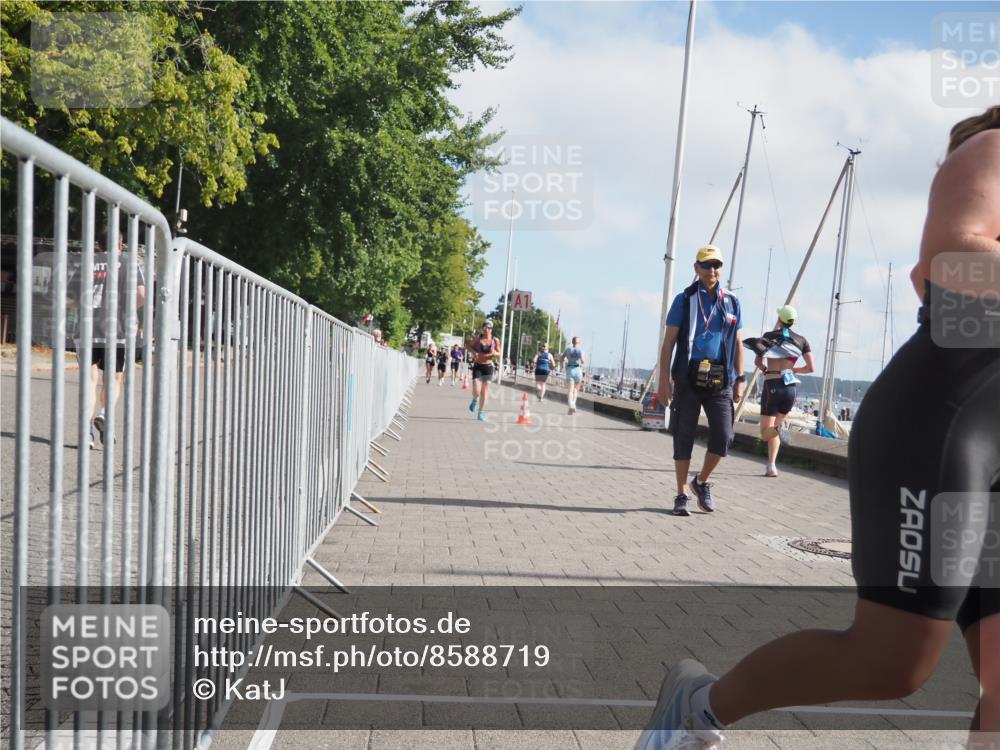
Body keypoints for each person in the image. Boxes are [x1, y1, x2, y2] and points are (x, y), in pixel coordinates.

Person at [636, 107, 1000, 750]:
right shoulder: (994, 148)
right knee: (893, 662)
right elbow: (947, 256)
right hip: (939, 427)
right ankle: (698, 705)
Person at [656, 244, 745, 517]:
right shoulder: (685, 299)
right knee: (684, 436)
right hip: (689, 376)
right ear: (696, 268)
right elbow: (669, 342)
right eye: (706, 265)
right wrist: (663, 381)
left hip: (720, 379)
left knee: (724, 435)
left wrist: (740, 379)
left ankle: (701, 481)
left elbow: (739, 342)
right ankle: (682, 492)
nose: (712, 270)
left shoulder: (731, 301)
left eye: (716, 265)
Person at [67, 225, 146, 449]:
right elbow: (141, 295)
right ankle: (104, 415)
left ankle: (86, 434)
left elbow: (69, 298)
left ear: (98, 245)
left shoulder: (84, 264)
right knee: (113, 379)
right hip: (117, 330)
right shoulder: (130, 264)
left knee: (89, 383)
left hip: (87, 330)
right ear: (121, 245)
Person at [743, 305, 815, 477]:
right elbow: (811, 367)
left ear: (780, 319)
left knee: (766, 432)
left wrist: (765, 369)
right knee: (774, 427)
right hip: (790, 388)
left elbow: (758, 362)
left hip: (772, 385)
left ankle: (779, 431)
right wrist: (794, 370)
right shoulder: (802, 341)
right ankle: (772, 466)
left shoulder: (768, 337)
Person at [469, 321, 500, 421]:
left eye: (489, 328)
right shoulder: (478, 339)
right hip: (478, 366)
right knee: (477, 390)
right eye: (485, 327)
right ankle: (474, 400)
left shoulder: (495, 340)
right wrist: (474, 352)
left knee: (485, 391)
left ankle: (481, 412)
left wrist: (494, 353)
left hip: (488, 367)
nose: (486, 329)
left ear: (491, 329)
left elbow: (499, 353)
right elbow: (468, 346)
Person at [561, 337, 586, 414]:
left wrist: (563, 359)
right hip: (578, 370)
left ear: (572, 342)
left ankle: (571, 405)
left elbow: (561, 359)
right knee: (576, 390)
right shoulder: (581, 351)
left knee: (570, 390)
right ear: (579, 343)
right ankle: (573, 404)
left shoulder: (568, 350)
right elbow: (582, 361)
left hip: (570, 370)